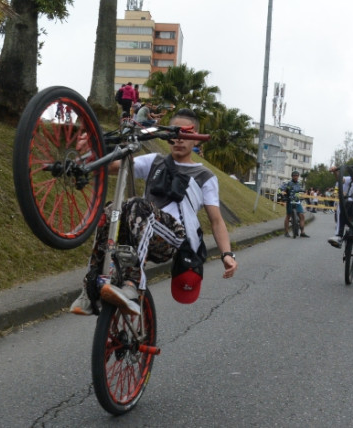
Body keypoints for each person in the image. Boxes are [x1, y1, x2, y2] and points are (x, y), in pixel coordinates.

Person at [70, 108, 238, 316]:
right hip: (140, 229)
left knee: (137, 205)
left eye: (185, 134)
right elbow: (108, 167)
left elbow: (216, 221)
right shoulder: (155, 161)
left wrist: (227, 255)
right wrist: (85, 155)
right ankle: (90, 289)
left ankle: (133, 285)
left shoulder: (204, 176)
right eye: (174, 132)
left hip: (172, 237)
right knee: (111, 210)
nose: (178, 138)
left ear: (196, 140)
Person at [279, 171, 309, 237]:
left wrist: (304, 192)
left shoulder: (299, 183)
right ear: (292, 176)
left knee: (302, 216)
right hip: (289, 201)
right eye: (294, 176)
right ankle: (286, 232)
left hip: (297, 201)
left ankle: (302, 232)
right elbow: (280, 189)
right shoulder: (288, 183)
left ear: (298, 176)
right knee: (288, 216)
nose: (295, 177)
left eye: (297, 176)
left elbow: (301, 190)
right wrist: (282, 195)